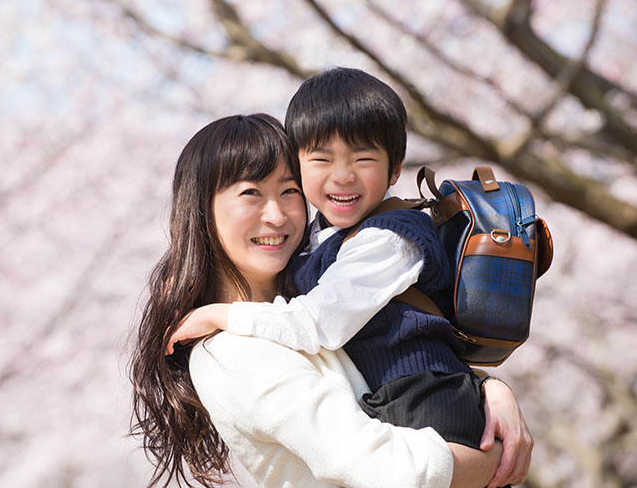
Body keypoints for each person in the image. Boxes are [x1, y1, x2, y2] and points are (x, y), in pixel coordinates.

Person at [167, 69, 531, 487]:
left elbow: (328, 327)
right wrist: (492, 466)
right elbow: (393, 472)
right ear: (200, 211)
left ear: (394, 169)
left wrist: (488, 388)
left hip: (427, 402)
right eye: (251, 193)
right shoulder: (232, 352)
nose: (277, 214)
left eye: (288, 192)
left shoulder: (372, 244)